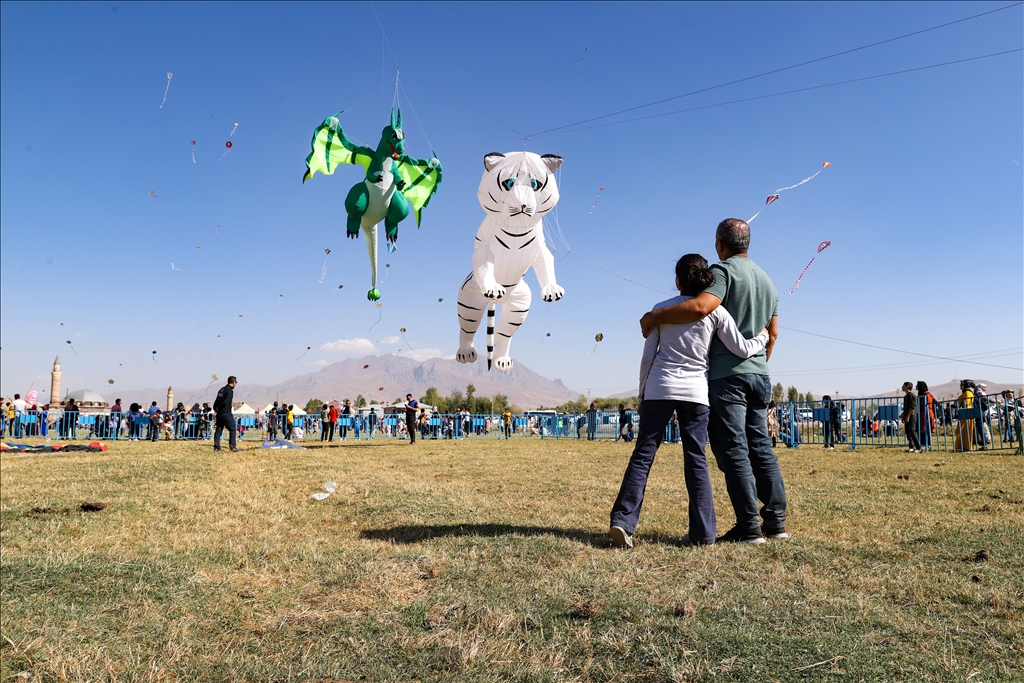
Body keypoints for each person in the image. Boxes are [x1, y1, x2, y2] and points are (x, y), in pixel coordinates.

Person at [639, 218, 786, 544]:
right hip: (760, 374)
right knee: (761, 448)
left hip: (727, 376)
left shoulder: (722, 272)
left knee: (733, 449)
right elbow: (772, 334)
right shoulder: (769, 281)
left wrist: (656, 317)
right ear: (747, 243)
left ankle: (749, 528)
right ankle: (776, 525)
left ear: (720, 244)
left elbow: (702, 306)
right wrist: (757, 364)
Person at [611, 253, 770, 549]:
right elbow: (742, 349)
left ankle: (623, 522)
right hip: (696, 393)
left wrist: (642, 394)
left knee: (643, 455)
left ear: (677, 280)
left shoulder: (660, 310)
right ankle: (703, 534)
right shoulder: (717, 312)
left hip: (659, 387)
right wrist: (763, 336)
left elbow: (649, 357)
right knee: (696, 459)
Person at [212, 376, 240, 452]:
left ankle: (216, 447)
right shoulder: (229, 391)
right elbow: (226, 402)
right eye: (236, 382)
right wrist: (220, 408)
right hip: (226, 412)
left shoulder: (221, 389)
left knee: (219, 429)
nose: (236, 384)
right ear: (233, 382)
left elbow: (216, 401)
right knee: (233, 428)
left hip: (220, 413)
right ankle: (232, 446)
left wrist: (216, 409)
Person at [900, 382, 922, 453]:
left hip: (912, 416)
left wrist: (908, 416)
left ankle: (919, 448)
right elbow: (906, 408)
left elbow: (913, 407)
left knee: (912, 431)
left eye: (903, 386)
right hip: (907, 416)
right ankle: (911, 447)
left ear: (907, 386)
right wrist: (903, 415)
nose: (902, 387)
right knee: (908, 432)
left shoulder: (911, 395)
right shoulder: (906, 396)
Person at [955, 380, 975, 452]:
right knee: (962, 430)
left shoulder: (968, 392)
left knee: (966, 430)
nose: (960, 386)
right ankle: (962, 446)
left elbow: (966, 403)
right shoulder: (966, 392)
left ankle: (967, 446)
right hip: (964, 412)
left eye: (962, 385)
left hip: (967, 412)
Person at [916, 381, 935, 450]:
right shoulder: (921, 394)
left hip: (926, 413)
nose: (916, 387)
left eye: (917, 385)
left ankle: (928, 444)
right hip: (921, 413)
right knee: (920, 429)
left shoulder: (927, 395)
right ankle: (921, 443)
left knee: (926, 429)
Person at [975, 382, 991, 450]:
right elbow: (984, 405)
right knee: (982, 428)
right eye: (984, 388)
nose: (985, 389)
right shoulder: (979, 394)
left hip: (979, 413)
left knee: (982, 428)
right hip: (981, 413)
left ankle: (985, 442)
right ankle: (984, 442)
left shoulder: (977, 394)